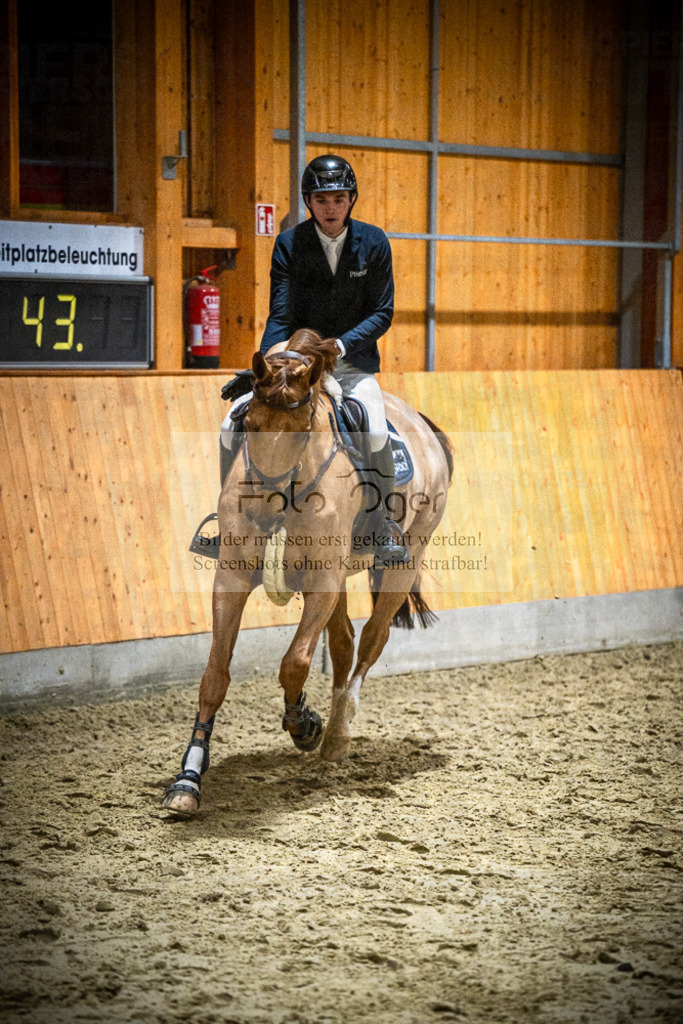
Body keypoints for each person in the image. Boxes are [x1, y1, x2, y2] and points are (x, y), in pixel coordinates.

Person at [191, 153, 408, 565]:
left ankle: (382, 529)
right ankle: (226, 524)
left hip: (350, 362)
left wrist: (340, 346)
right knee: (230, 420)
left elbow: (382, 312)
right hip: (295, 362)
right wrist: (274, 366)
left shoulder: (374, 242)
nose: (331, 207)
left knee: (375, 428)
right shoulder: (290, 243)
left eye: (340, 198)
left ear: (351, 200)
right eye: (322, 199)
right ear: (310, 201)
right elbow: (280, 312)